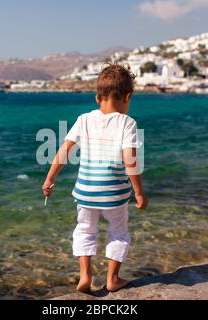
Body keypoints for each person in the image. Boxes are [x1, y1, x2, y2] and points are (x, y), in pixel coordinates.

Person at [42, 64, 148, 293]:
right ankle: (112, 279)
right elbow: (130, 160)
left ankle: (85, 276)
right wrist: (138, 192)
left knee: (84, 231)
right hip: (115, 195)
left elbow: (64, 150)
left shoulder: (84, 119)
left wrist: (50, 178)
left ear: (97, 98)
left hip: (86, 193)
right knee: (119, 233)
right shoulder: (127, 123)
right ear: (128, 97)